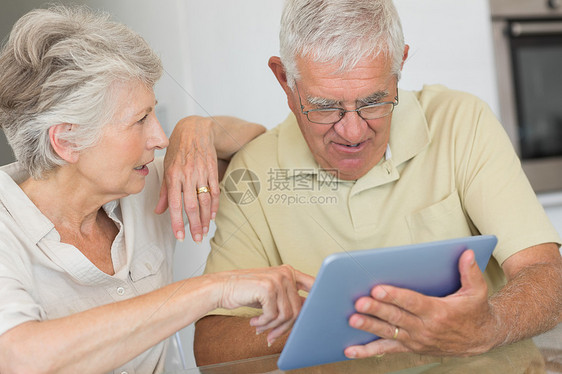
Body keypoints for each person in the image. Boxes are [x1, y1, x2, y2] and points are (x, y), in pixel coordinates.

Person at [186, 0, 562, 366]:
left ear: (399, 66)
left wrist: (489, 325)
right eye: (324, 106)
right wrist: (337, 321)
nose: (352, 131)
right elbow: (212, 344)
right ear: (285, 80)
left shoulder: (461, 122)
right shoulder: (253, 170)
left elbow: (548, 274)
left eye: (374, 101)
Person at [0, 6, 314, 374]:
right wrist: (214, 289)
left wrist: (196, 130)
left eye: (155, 114)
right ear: (66, 140)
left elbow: (254, 144)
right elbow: (20, 357)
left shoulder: (143, 184)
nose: (159, 138)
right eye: (140, 120)